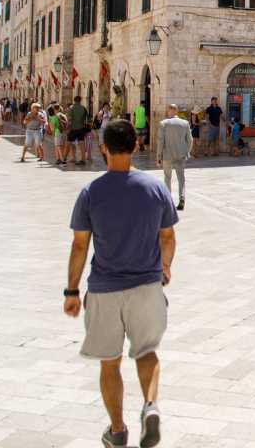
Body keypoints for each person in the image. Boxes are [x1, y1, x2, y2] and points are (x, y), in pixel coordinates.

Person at [63, 119, 177, 448]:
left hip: (104, 288)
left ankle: (116, 430)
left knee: (110, 363)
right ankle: (151, 406)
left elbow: (80, 245)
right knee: (147, 353)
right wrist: (165, 267)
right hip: (147, 286)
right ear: (136, 147)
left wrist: (72, 291)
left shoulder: (91, 192)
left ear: (103, 149)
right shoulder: (156, 189)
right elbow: (168, 236)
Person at [156, 105, 192, 211]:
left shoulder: (164, 123)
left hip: (167, 155)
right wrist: (187, 152)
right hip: (181, 155)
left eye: (168, 110)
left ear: (169, 111)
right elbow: (190, 140)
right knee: (181, 178)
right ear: (176, 111)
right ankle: (182, 197)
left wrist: (158, 156)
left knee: (167, 177)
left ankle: (168, 201)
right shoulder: (185, 123)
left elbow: (160, 141)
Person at [68, 95, 90, 165]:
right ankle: (83, 159)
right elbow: (87, 119)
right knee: (82, 144)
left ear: (74, 100)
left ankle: (73, 158)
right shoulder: (83, 108)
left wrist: (68, 129)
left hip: (73, 128)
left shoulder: (71, 108)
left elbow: (70, 120)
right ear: (80, 100)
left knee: (70, 143)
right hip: (81, 128)